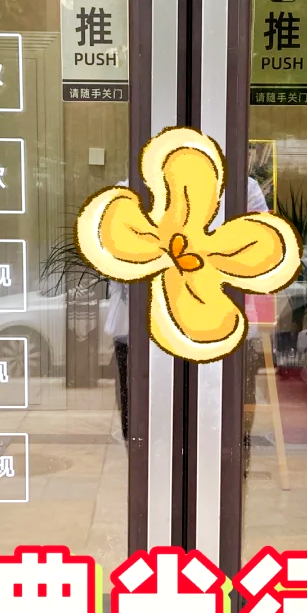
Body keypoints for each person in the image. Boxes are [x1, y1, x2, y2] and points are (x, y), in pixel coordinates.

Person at [106, 173, 270, 443]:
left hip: (221, 328)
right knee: (143, 428)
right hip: (141, 332)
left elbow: (261, 250)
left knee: (226, 428)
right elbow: (113, 257)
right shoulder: (129, 189)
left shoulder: (243, 188)